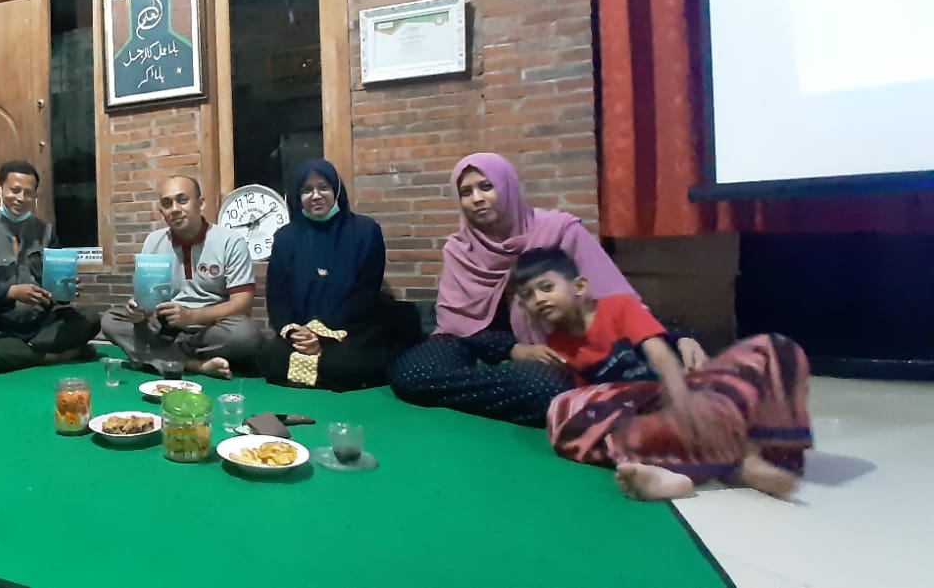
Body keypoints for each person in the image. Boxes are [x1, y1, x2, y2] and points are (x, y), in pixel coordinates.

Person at [511, 248, 812, 501]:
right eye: (527, 295)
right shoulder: (557, 346)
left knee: (774, 347)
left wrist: (684, 402)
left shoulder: (619, 307)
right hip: (648, 419)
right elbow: (595, 408)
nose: (538, 299)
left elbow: (660, 355)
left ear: (579, 287)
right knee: (563, 410)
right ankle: (697, 470)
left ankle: (763, 454)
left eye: (546, 287)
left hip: (683, 394)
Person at [387, 153, 644, 426]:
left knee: (545, 387)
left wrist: (669, 339)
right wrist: (512, 350)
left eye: (486, 187)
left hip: (551, 344)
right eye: (466, 192)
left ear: (507, 187)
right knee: (412, 374)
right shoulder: (460, 248)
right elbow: (456, 325)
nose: (477, 198)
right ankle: (524, 397)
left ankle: (520, 395)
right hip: (480, 341)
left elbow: (611, 298)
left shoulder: (560, 231)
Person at [100, 176, 266, 379]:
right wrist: (138, 312)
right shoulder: (154, 241)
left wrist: (191, 317)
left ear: (200, 203)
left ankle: (158, 357)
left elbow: (242, 304)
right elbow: (145, 298)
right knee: (111, 320)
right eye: (167, 203)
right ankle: (193, 365)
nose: (175, 209)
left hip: (210, 330)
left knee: (246, 335)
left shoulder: (230, 241)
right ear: (161, 211)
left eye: (182, 200)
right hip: (164, 328)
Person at [257, 160, 396, 391]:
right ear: (298, 196)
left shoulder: (365, 231)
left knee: (342, 364)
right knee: (270, 357)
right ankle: (323, 374)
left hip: (350, 330)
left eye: (323, 187)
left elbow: (366, 294)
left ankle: (318, 374)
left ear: (336, 190)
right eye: (307, 190)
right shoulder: (285, 238)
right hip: (301, 333)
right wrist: (295, 333)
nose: (316, 195)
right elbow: (277, 296)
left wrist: (321, 334)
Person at [0, 161, 101, 373]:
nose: (21, 198)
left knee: (90, 318)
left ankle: (22, 353)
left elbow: (56, 294)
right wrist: (11, 293)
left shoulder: (46, 233)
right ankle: (52, 356)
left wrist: (65, 288)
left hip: (39, 326)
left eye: (28, 193)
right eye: (15, 190)